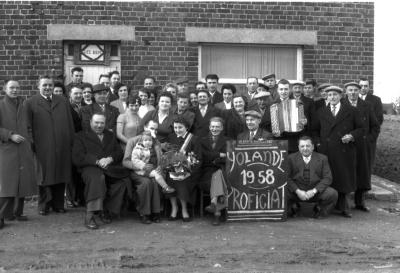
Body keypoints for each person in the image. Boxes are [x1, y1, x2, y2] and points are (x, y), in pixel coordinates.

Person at [312, 85, 364, 218]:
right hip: (326, 151)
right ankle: (326, 205)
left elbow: (361, 129)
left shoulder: (352, 110)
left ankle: (344, 207)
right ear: (326, 97)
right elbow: (314, 131)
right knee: (327, 177)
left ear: (341, 96)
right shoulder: (321, 112)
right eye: (329, 95)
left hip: (344, 150)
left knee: (344, 178)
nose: (332, 97)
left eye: (335, 94)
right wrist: (318, 143)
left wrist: (351, 136)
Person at [25, 75, 74, 215]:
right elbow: (27, 126)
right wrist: (31, 143)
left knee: (60, 173)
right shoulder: (30, 103)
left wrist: (70, 141)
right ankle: (44, 205)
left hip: (62, 144)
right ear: (38, 86)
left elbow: (69, 123)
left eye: (50, 85)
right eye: (44, 85)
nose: (47, 88)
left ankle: (58, 204)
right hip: (42, 145)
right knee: (44, 176)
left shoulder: (63, 101)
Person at [72, 113, 131, 229]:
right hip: (90, 168)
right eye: (96, 123)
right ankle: (91, 214)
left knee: (122, 182)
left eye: (102, 123)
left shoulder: (110, 135)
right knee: (98, 179)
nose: (99, 125)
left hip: (110, 168)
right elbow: (77, 157)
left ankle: (106, 210)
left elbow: (119, 153)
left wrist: (110, 158)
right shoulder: (80, 136)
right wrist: (97, 161)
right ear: (90, 123)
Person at [0, 80, 37, 229]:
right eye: (11, 88)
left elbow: (28, 126)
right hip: (6, 148)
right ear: (4, 89)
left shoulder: (23, 105)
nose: (15, 90)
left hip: (23, 148)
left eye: (17, 88)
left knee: (22, 182)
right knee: (7, 184)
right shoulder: (1, 105)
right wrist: (9, 135)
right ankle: (2, 215)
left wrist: (30, 140)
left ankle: (17, 212)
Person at [344, 82, 380, 212]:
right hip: (346, 145)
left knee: (362, 173)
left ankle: (360, 201)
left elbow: (375, 126)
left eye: (355, 90)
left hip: (362, 145)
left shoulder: (367, 106)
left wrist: (369, 140)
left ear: (359, 91)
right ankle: (346, 203)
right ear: (346, 91)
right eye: (350, 90)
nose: (353, 92)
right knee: (347, 172)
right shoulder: (342, 104)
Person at [287, 136, 338, 219]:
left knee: (332, 194)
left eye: (308, 146)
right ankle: (293, 208)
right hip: (297, 191)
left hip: (315, 191)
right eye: (302, 146)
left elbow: (328, 178)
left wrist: (314, 191)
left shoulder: (322, 158)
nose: (305, 148)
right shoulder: (290, 158)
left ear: (313, 147)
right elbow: (287, 177)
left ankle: (320, 210)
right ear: (298, 147)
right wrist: (297, 191)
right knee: (282, 192)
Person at [123, 120, 163, 224]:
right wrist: (142, 167)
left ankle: (156, 212)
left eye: (155, 129)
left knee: (156, 181)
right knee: (146, 183)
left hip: (154, 171)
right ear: (145, 127)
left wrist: (160, 167)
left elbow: (161, 158)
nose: (153, 131)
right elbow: (126, 161)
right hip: (137, 171)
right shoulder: (132, 141)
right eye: (151, 128)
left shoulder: (156, 142)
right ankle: (144, 213)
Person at [165, 117, 202, 222]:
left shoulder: (194, 139)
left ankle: (184, 210)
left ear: (186, 127)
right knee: (170, 179)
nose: (177, 130)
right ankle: (174, 208)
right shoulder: (171, 137)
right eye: (175, 127)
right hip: (174, 171)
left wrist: (188, 171)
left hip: (190, 172)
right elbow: (168, 155)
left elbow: (198, 159)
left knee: (182, 180)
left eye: (180, 127)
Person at [198, 117, 229, 225]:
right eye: (212, 126)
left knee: (219, 174)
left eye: (217, 127)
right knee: (217, 176)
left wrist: (215, 158)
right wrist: (218, 155)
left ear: (221, 128)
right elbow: (202, 156)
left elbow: (228, 157)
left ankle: (214, 205)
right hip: (206, 173)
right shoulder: (202, 140)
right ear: (209, 127)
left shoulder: (227, 141)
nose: (214, 129)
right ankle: (217, 214)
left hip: (223, 170)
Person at [270, 79, 308, 153]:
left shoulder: (298, 104)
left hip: (293, 143)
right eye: (281, 89)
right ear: (277, 90)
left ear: (289, 90)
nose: (283, 92)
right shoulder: (272, 105)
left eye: (286, 89)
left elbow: (303, 125)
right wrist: (274, 128)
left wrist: (305, 123)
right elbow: (266, 123)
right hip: (277, 143)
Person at [359, 78, 383, 167]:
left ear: (369, 87)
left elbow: (379, 119)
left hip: (368, 137)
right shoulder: (351, 99)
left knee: (367, 164)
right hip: (354, 138)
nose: (363, 88)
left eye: (366, 86)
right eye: (361, 86)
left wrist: (371, 137)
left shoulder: (376, 100)